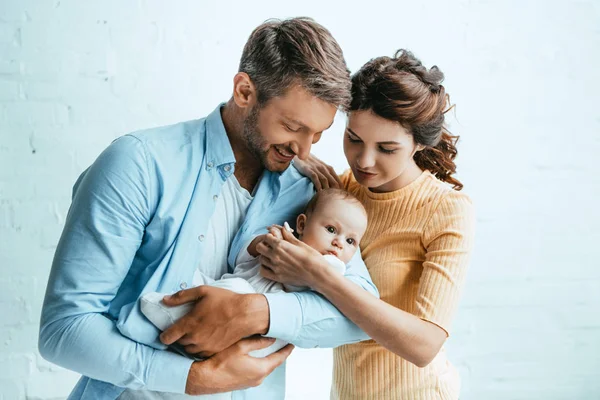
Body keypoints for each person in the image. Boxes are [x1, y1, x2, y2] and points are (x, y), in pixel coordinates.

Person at [38, 18, 378, 400]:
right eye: (292, 127)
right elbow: (64, 329)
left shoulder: (307, 195)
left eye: (317, 134)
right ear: (245, 91)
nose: (305, 150)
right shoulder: (139, 164)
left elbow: (363, 314)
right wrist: (195, 377)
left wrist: (255, 311)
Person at [257, 49, 476, 400]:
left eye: (387, 149)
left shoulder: (447, 209)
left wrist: (320, 275)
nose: (364, 161)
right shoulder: (338, 191)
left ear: (419, 143)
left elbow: (425, 345)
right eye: (354, 139)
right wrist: (298, 152)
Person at [140, 188, 369, 364]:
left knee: (237, 291)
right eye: (331, 229)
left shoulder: (333, 268)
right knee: (202, 281)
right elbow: (243, 260)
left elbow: (335, 286)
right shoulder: (282, 239)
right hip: (228, 290)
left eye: (351, 241)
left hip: (260, 335)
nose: (338, 243)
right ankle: (172, 305)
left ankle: (171, 316)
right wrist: (261, 245)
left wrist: (311, 267)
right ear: (301, 224)